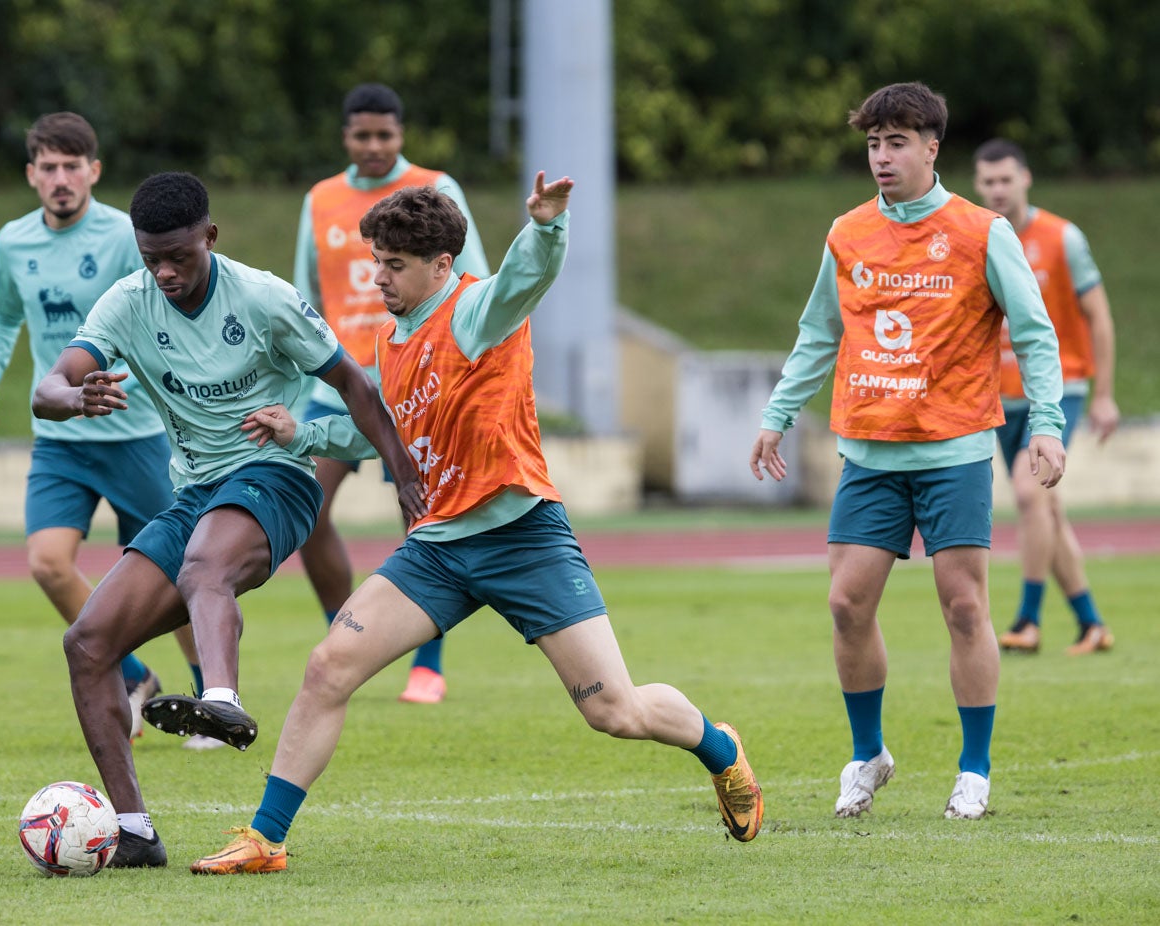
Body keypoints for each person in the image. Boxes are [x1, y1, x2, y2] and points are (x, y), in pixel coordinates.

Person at [172, 172, 764, 876]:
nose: (377, 279)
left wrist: (545, 225)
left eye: (393, 266)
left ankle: (720, 750)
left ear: (440, 265)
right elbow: (381, 437)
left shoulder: (478, 308)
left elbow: (527, 273)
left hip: (522, 538)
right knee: (328, 667)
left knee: (615, 711)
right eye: (375, 262)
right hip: (438, 549)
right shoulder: (391, 344)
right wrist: (300, 435)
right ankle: (266, 839)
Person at [31, 170, 426, 869]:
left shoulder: (265, 297)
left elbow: (353, 384)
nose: (164, 270)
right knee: (87, 643)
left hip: (274, 478)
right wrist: (72, 398)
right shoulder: (128, 304)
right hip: (195, 496)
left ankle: (220, 698)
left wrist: (401, 474)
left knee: (204, 565)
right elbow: (49, 385)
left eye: (178, 254)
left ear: (209, 236)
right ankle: (134, 832)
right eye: (150, 255)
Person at [748, 82, 1068, 822]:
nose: (881, 157)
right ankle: (868, 756)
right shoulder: (847, 232)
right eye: (872, 144)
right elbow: (818, 332)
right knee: (844, 602)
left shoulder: (981, 231)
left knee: (962, 608)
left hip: (953, 451)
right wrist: (777, 413)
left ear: (931, 147)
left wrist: (1046, 422)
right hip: (867, 452)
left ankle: (974, 770)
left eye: (896, 142)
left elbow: (1034, 333)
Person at [0, 113, 211, 746]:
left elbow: (156, 308)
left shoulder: (122, 237)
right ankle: (135, 675)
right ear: (31, 175)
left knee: (178, 574)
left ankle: (209, 695)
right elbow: (2, 314)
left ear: (94, 172)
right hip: (61, 442)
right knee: (48, 563)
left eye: (72, 166)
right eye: (48, 167)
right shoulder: (13, 242)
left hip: (136, 436)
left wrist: (132, 377)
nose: (60, 178)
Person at [293, 82, 491, 704]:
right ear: (345, 136)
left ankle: (427, 665)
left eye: (385, 134)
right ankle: (346, 639)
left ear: (400, 135)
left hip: (419, 381)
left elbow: (471, 278)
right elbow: (305, 297)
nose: (374, 146)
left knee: (423, 517)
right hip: (343, 383)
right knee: (308, 512)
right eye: (362, 135)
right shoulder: (321, 199)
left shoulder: (438, 187)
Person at [972, 139, 1119, 656]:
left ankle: (1028, 621)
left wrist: (1104, 395)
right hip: (996, 397)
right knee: (1046, 512)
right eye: (987, 181)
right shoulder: (974, 236)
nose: (996, 190)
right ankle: (1091, 623)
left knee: (1032, 495)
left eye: (1005, 180)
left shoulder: (1062, 238)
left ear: (1025, 179)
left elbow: (1099, 317)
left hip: (1060, 389)